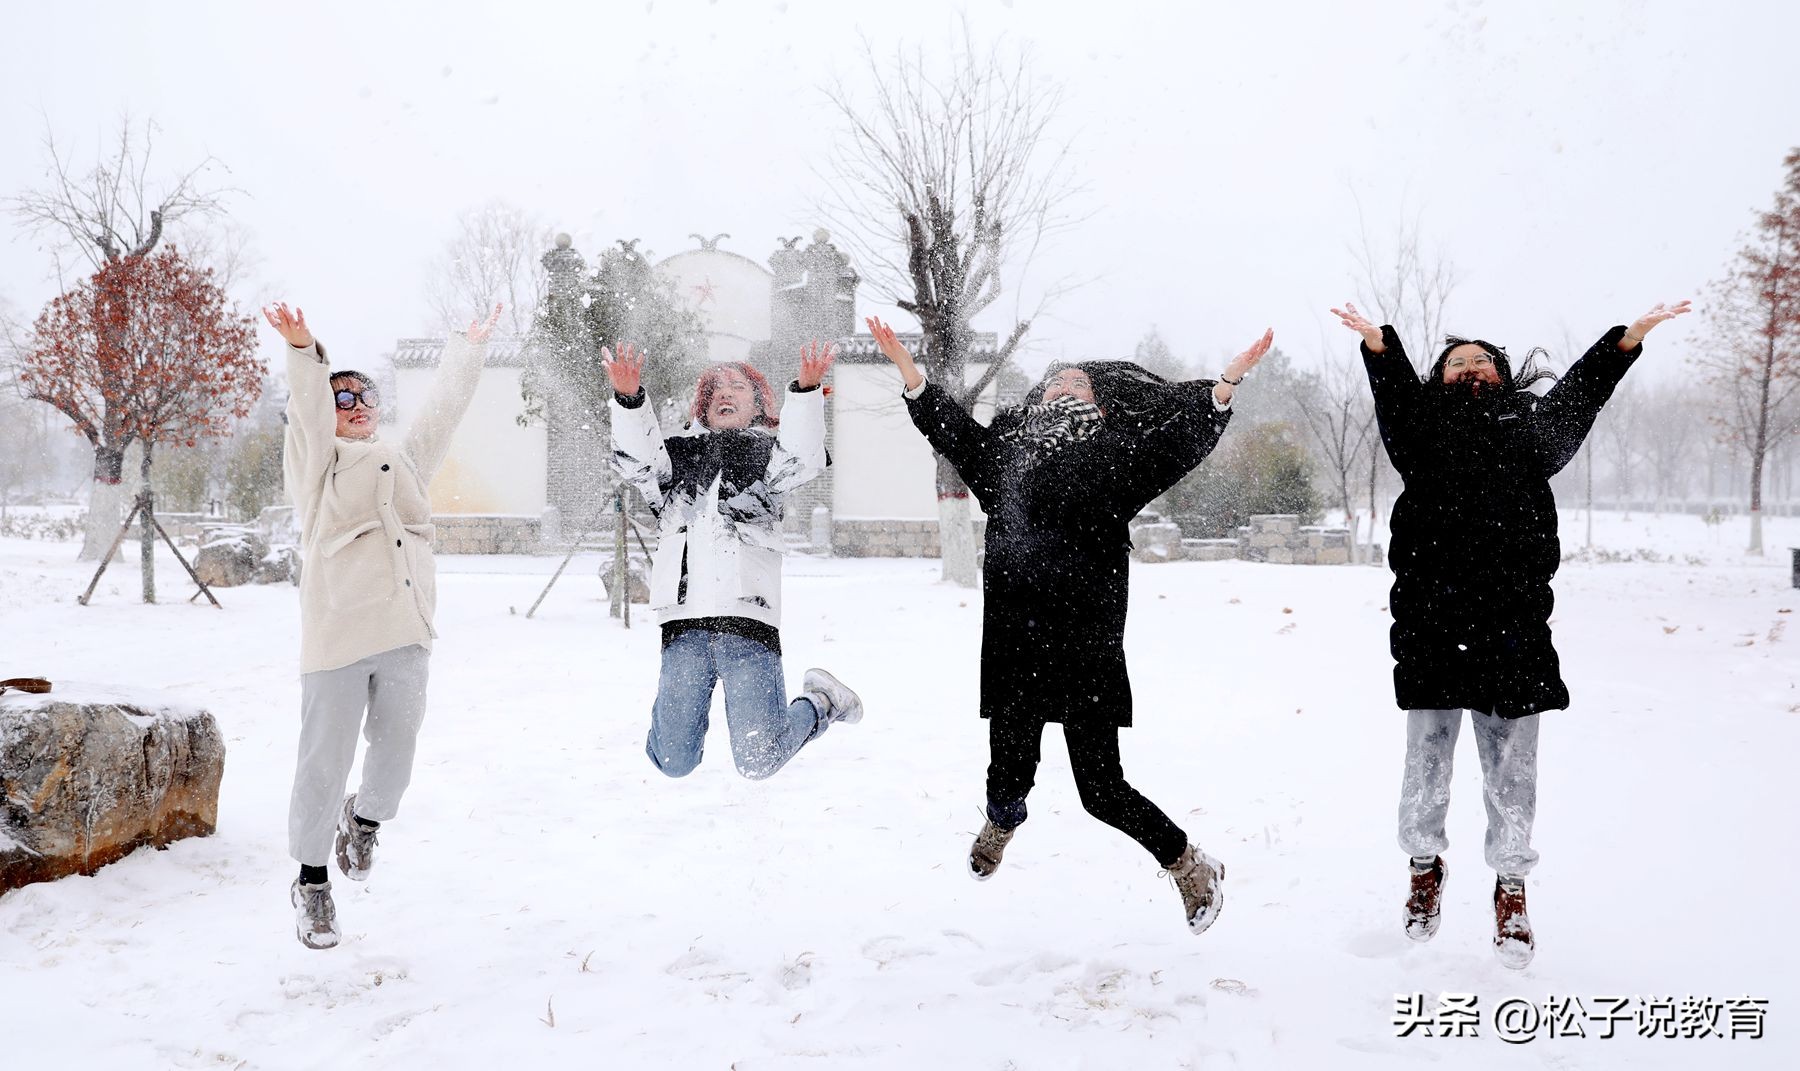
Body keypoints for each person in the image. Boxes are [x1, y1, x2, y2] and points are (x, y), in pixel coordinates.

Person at [866, 315, 1272, 935]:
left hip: (1087, 643)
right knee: (1007, 779)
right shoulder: (1004, 456)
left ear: (1102, 404)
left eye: (1080, 383)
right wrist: (908, 369)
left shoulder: (1119, 456)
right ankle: (1003, 821)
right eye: (1057, 380)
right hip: (1015, 640)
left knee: (1101, 789)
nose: (1065, 386)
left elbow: (1179, 445)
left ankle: (1190, 864)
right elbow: (951, 430)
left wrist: (1224, 386)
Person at [1331, 298, 1691, 968]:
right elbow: (1395, 400)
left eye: (1481, 361)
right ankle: (1423, 866)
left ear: (1502, 374)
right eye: (1457, 362)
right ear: (1438, 378)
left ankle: (1511, 884)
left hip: (1512, 629)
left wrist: (1624, 342)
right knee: (1426, 762)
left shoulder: (1532, 430)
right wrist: (1381, 349)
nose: (1470, 368)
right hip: (1432, 624)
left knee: (1512, 771)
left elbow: (1581, 395)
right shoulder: (1420, 433)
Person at [267, 300, 502, 950]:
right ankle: (313, 881)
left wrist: (468, 348)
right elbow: (309, 412)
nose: (356, 405)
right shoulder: (317, 466)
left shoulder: (404, 459)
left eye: (365, 396)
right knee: (325, 761)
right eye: (342, 398)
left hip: (405, 632)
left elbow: (443, 412)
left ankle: (364, 821)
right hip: (337, 637)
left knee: (396, 758)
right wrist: (303, 351)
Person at [606, 342, 863, 783]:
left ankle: (822, 701)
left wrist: (804, 393)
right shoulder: (674, 459)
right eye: (716, 388)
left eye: (738, 386)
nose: (725, 392)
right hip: (684, 626)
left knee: (759, 761)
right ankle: (673, 728)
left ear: (759, 404)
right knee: (672, 760)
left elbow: (801, 454)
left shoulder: (770, 460)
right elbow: (638, 460)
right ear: (704, 406)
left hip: (748, 624)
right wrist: (629, 400)